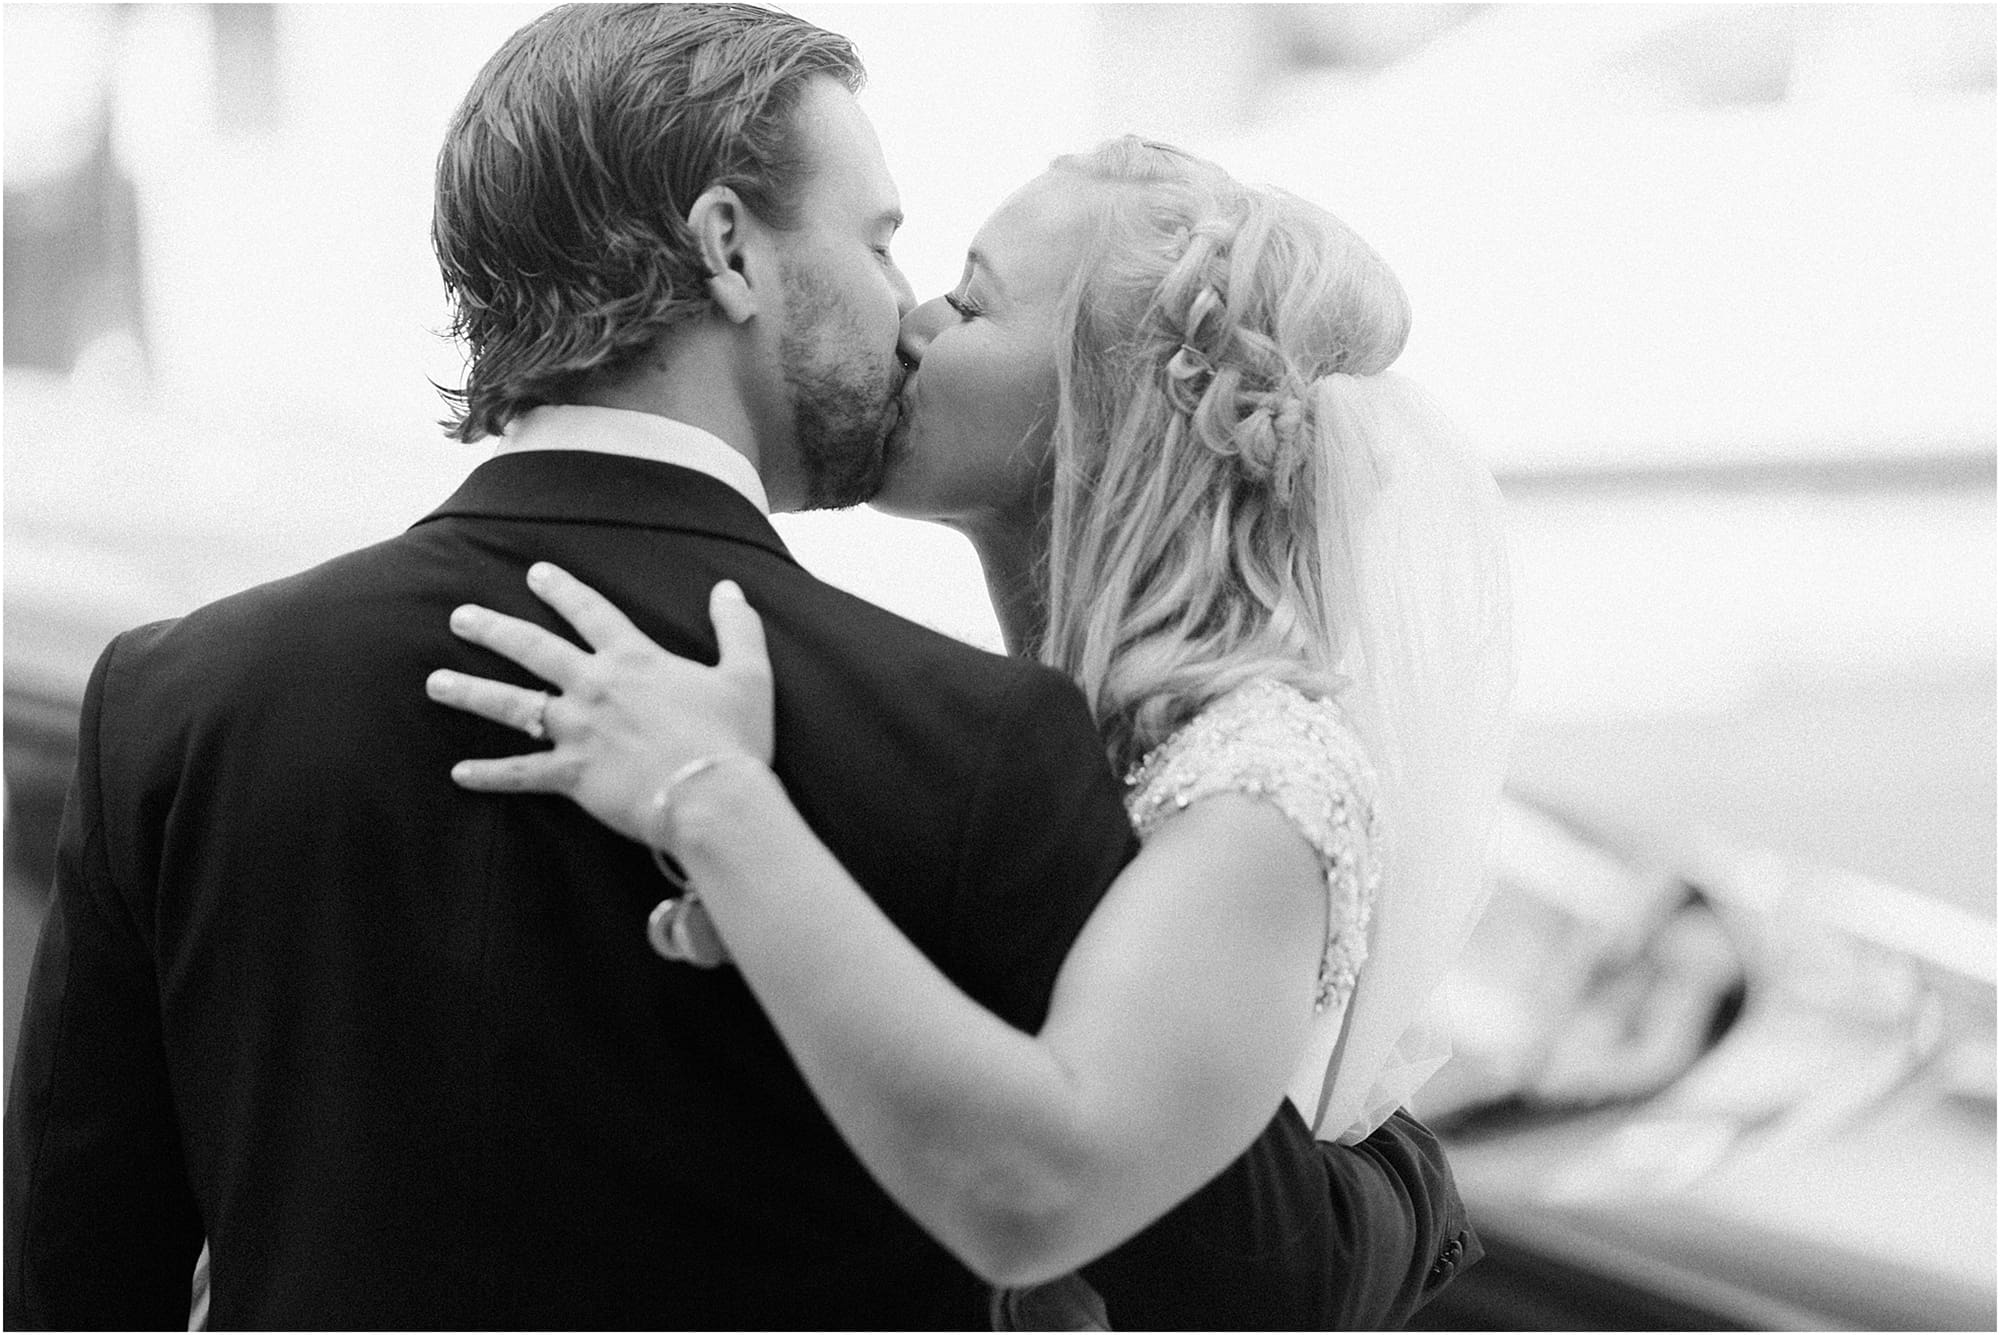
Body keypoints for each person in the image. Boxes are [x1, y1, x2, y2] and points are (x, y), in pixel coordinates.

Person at [4, 7, 1476, 1330]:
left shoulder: (178, 697)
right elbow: (1228, 1268)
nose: (907, 312)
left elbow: (75, 1285)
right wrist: (1410, 1176)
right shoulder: (974, 744)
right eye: (887, 241)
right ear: (727, 247)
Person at [427, 136, 1514, 1329]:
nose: (909, 321)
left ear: (1109, 402)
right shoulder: (1005, 735)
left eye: (971, 296)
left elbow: (1037, 1194)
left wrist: (712, 797)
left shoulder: (1259, 780)